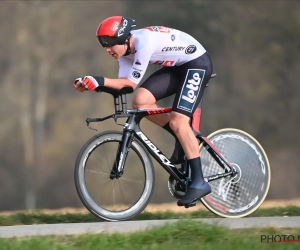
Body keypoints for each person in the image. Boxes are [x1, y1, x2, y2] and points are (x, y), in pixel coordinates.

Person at [73, 16, 213, 207]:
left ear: (123, 39)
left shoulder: (144, 42)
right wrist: (92, 84)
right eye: (103, 45)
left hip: (196, 64)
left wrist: (99, 80)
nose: (107, 49)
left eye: (109, 44)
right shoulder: (124, 53)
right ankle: (183, 137)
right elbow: (124, 87)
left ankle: (199, 182)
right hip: (177, 67)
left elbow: (129, 82)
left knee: (179, 121)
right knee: (140, 101)